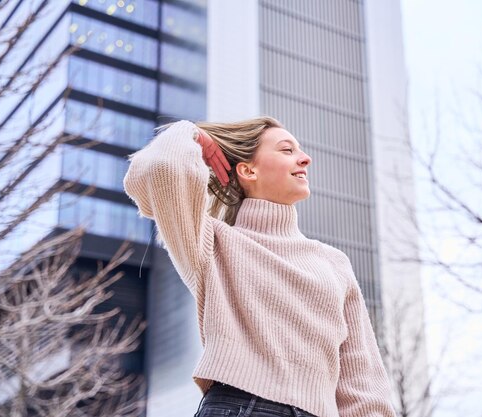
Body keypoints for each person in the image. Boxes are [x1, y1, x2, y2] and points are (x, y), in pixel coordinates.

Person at [123, 117, 396, 417]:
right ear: (248, 170)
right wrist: (187, 132)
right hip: (242, 408)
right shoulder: (213, 244)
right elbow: (160, 170)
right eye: (286, 150)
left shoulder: (333, 263)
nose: (305, 158)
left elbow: (363, 383)